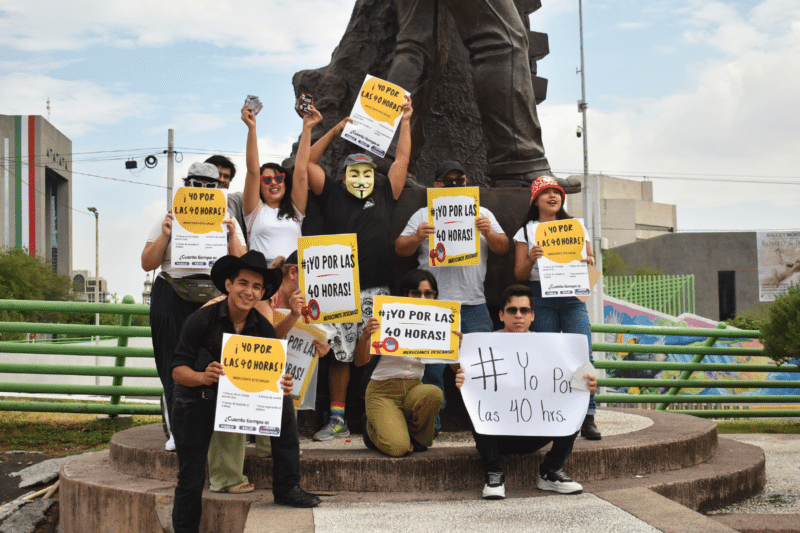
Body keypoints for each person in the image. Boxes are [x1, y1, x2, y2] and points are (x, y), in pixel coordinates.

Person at [171, 250, 320, 533]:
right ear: (228, 285)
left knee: (285, 404)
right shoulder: (201, 320)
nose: (248, 292)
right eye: (243, 284)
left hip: (235, 399)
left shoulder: (260, 325)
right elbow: (177, 371)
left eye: (256, 287)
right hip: (196, 400)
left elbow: (270, 358)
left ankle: (287, 486)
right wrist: (203, 377)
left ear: (262, 293)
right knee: (190, 478)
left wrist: (281, 383)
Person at [305, 96, 413, 441]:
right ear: (344, 175)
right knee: (339, 355)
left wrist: (406, 120)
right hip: (338, 290)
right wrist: (335, 129)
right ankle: (338, 418)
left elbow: (403, 159)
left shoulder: (383, 195)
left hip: (377, 288)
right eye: (355, 172)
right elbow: (306, 163)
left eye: (367, 172)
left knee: (373, 355)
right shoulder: (332, 194)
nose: (362, 177)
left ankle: (372, 414)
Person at [395, 160, 509, 432]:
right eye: (448, 181)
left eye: (460, 180)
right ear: (436, 186)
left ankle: (487, 421)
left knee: (481, 365)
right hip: (433, 305)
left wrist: (488, 232)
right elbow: (400, 247)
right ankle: (430, 425)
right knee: (431, 369)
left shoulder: (482, 213)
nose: (455, 185)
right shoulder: (423, 214)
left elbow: (503, 247)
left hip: (473, 302)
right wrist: (417, 237)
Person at [454, 284, 597, 500]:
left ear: (532, 316)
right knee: (474, 399)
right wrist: (463, 379)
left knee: (576, 399)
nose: (518, 316)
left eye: (524, 311)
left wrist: (588, 386)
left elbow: (576, 380)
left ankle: (551, 471)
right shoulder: (483, 345)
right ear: (501, 315)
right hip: (496, 433)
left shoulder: (552, 346)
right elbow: (468, 379)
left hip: (537, 432)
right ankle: (494, 474)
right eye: (512, 310)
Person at [141, 162, 246, 451]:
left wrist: (231, 235)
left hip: (213, 295)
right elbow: (147, 263)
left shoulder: (228, 219)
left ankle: (211, 427)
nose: (202, 190)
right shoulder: (170, 216)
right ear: (187, 186)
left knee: (213, 364)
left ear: (220, 189)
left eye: (210, 185)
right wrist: (166, 233)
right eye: (196, 184)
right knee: (171, 361)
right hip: (171, 291)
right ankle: (177, 428)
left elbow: (242, 264)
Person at [512, 176, 601, 440]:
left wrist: (589, 261)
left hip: (573, 296)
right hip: (540, 295)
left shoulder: (575, 228)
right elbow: (519, 274)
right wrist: (531, 258)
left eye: (557, 192)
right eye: (546, 192)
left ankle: (588, 416)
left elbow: (591, 268)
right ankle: (552, 412)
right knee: (547, 357)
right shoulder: (526, 232)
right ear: (535, 199)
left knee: (582, 353)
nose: (553, 196)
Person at [354, 269, 448, 456]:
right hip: (383, 391)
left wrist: (457, 346)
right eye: (416, 293)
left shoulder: (439, 321)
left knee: (434, 393)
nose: (422, 298)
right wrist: (365, 336)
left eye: (429, 294)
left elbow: (454, 367)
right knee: (398, 448)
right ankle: (371, 428)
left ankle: (407, 433)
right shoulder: (387, 317)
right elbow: (359, 362)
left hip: (414, 388)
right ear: (406, 294)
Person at [241, 101, 321, 264]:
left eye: (278, 178)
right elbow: (253, 170)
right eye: (267, 179)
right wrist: (252, 128)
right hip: (263, 274)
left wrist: (307, 128)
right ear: (259, 185)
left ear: (285, 183)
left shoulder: (295, 210)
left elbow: (300, 171)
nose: (273, 183)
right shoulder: (254, 211)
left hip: (293, 273)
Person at [204, 155, 247, 245]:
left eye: (226, 177)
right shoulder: (187, 204)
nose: (221, 180)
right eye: (218, 175)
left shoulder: (237, 201)